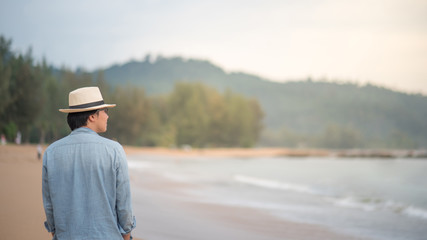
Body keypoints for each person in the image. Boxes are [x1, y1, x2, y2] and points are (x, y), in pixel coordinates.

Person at [42, 86, 136, 240]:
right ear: (92, 116)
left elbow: (49, 205)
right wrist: (126, 235)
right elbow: (124, 205)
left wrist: (56, 232)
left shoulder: (51, 153)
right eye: (105, 111)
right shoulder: (114, 150)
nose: (107, 116)